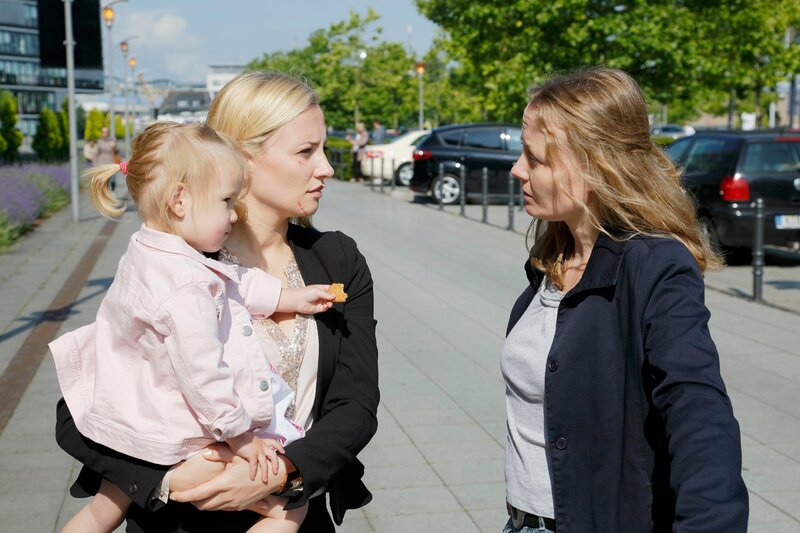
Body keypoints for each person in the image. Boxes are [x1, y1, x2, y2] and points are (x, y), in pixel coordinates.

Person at [55, 70, 380, 532]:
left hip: (292, 507)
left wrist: (284, 473)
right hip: (177, 519)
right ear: (243, 158)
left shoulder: (337, 260)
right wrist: (167, 477)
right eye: (306, 151)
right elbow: (87, 401)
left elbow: (356, 404)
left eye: (323, 149)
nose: (325, 167)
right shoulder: (176, 266)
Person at [501, 67, 748, 532]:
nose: (517, 169)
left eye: (535, 158)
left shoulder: (654, 265)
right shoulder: (551, 262)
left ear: (594, 166)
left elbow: (697, 410)